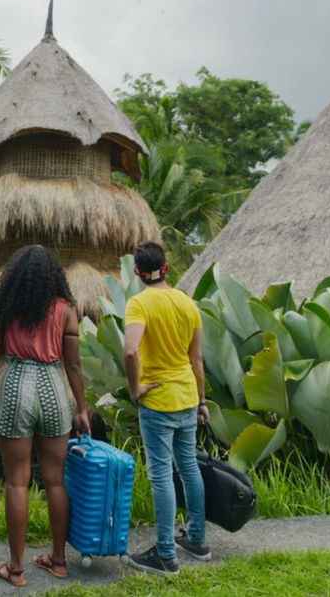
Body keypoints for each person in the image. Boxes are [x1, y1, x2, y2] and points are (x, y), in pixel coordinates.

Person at [0, 245, 91, 588]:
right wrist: (82, 407)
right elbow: (72, 363)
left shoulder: (4, 308)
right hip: (54, 389)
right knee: (56, 480)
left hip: (14, 389)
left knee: (16, 481)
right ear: (53, 276)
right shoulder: (65, 310)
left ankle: (16, 568)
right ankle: (58, 561)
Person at [122, 241, 211, 575]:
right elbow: (196, 359)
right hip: (187, 396)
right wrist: (202, 401)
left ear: (137, 272)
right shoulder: (188, 304)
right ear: (167, 267)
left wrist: (135, 388)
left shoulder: (138, 304)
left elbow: (131, 351)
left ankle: (165, 554)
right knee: (188, 467)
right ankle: (198, 540)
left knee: (161, 476)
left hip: (157, 400)